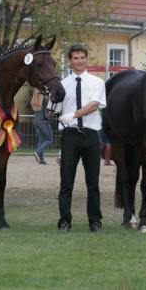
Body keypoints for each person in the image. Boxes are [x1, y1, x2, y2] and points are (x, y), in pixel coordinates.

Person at [49, 44, 106, 233]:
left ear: (86, 59)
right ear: (70, 60)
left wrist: (72, 115)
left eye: (82, 57)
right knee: (66, 183)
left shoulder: (97, 82)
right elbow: (53, 111)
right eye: (75, 58)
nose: (79, 61)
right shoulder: (62, 84)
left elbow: (93, 106)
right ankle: (64, 221)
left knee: (93, 183)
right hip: (70, 137)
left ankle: (95, 221)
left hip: (90, 136)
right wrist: (51, 108)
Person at [30, 88, 53, 165]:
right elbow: (49, 111)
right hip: (44, 120)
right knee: (49, 140)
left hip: (36, 120)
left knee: (41, 140)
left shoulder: (35, 98)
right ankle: (38, 152)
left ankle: (41, 159)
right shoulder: (46, 98)